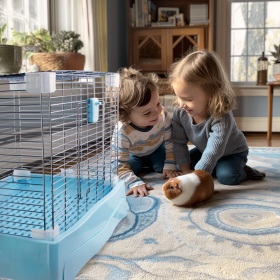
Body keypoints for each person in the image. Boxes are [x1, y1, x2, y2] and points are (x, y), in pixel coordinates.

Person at [168, 51, 266, 185]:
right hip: (205, 149)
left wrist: (196, 178)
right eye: (178, 96)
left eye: (188, 99)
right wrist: (186, 170)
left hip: (232, 152)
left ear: (211, 93)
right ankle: (216, 168)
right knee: (180, 163)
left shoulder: (221, 116)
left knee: (227, 177)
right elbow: (178, 142)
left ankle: (242, 171)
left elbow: (213, 152)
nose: (181, 104)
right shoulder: (180, 112)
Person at [112, 67, 179, 197]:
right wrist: (134, 182)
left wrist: (170, 164)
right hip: (135, 153)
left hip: (157, 148)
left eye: (158, 103)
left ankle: (153, 163)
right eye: (147, 112)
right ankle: (143, 164)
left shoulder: (162, 115)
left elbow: (171, 141)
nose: (157, 112)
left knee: (164, 168)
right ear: (125, 115)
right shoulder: (123, 131)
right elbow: (119, 165)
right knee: (132, 170)